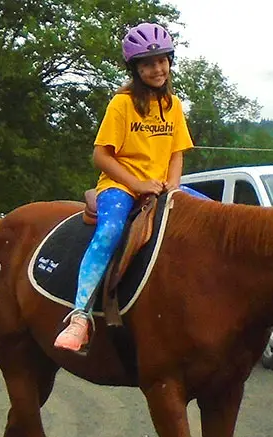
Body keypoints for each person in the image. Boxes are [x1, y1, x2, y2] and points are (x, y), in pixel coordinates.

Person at [54, 22, 194, 354]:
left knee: (212, 220)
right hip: (121, 185)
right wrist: (138, 184)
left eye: (161, 60)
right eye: (148, 63)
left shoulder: (173, 105)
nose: (156, 68)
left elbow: (176, 153)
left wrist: (171, 188)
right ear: (135, 68)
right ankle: (80, 317)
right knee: (110, 231)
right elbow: (101, 156)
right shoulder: (122, 104)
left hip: (162, 187)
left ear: (169, 60)